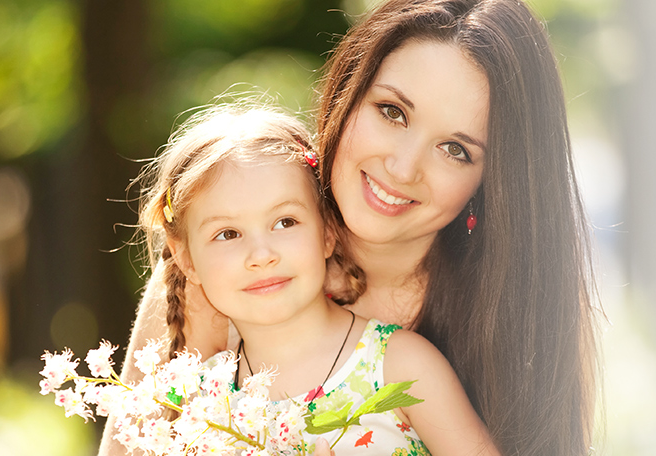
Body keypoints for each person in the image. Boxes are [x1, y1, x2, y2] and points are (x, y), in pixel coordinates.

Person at [103, 1, 597, 455]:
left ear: (492, 186)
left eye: (455, 149)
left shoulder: (523, 316)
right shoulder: (226, 277)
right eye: (392, 111)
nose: (402, 169)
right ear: (346, 93)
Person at [126, 103, 495, 455]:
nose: (262, 255)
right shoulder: (201, 404)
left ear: (327, 233)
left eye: (285, 222)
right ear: (186, 260)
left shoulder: (399, 365)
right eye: (228, 234)